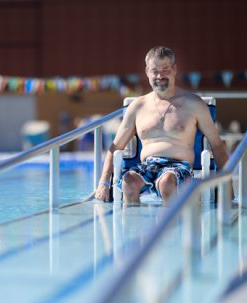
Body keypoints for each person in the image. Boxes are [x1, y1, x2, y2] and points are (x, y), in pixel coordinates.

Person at [94, 46, 229, 205]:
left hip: (179, 167)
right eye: (155, 70)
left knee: (167, 182)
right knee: (128, 182)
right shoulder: (138, 106)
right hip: (147, 166)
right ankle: (132, 228)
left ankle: (170, 228)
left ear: (174, 69)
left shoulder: (193, 104)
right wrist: (103, 183)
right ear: (147, 72)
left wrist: (228, 184)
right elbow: (115, 147)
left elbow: (217, 145)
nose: (160, 75)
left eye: (165, 69)